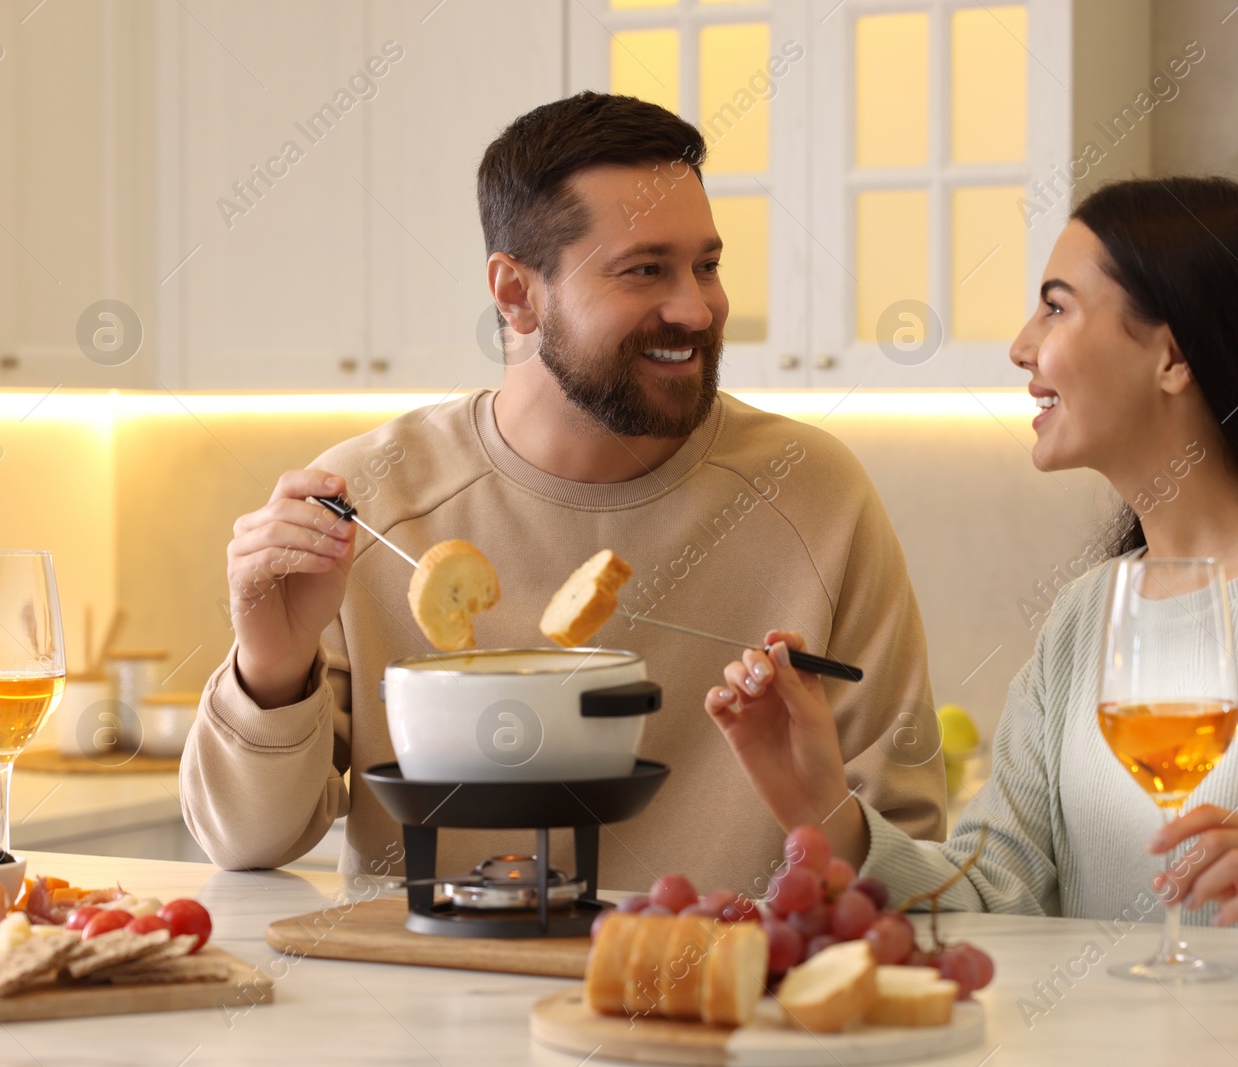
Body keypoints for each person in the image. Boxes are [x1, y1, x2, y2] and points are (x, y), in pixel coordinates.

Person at [705, 176, 1238, 965]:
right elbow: (997, 896)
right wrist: (820, 804)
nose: (1021, 344)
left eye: (1056, 306)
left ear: (1171, 356)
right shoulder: (1086, 616)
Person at [179, 92, 945, 890]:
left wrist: (819, 817)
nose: (697, 307)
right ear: (515, 292)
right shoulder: (369, 502)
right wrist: (269, 663)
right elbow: (245, 843)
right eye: (645, 269)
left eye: (707, 266)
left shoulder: (816, 495)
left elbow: (914, 854)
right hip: (432, 999)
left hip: (724, 1000)